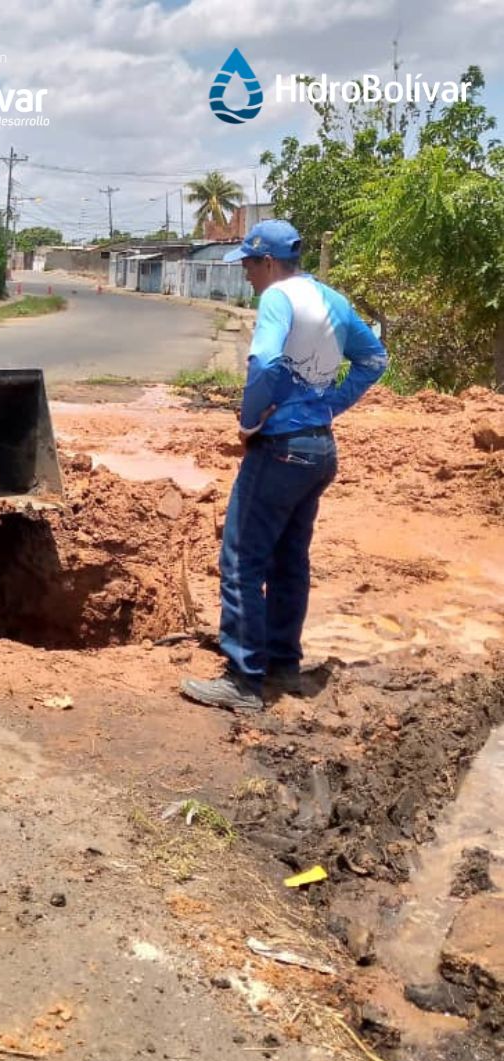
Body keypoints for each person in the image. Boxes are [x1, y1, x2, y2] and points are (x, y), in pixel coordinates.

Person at [181, 220, 387, 712]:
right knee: (289, 560)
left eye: (250, 265)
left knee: (240, 561)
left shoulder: (276, 298)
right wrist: (327, 407)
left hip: (279, 450)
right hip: (318, 450)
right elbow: (374, 360)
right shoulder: (333, 300)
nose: (247, 276)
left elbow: (268, 364)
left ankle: (244, 680)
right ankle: (283, 667)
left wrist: (250, 421)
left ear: (268, 262)